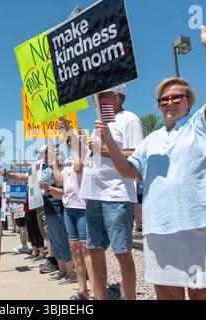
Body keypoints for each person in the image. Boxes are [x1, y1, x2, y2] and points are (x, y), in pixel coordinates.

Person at [96, 11, 206, 300]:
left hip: (203, 225)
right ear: (158, 106)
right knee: (168, 295)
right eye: (164, 99)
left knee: (203, 295)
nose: (170, 102)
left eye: (177, 96)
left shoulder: (202, 123)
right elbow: (128, 171)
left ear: (189, 101)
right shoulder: (151, 140)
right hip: (160, 228)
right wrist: (110, 143)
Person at [62, 83, 144, 300]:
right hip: (94, 196)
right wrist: (67, 131)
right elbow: (87, 153)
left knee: (122, 252)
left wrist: (104, 149)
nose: (94, 99)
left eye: (101, 95)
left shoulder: (129, 119)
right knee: (95, 249)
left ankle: (130, 297)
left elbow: (136, 153)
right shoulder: (101, 123)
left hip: (116, 195)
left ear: (116, 97)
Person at [2, 145, 75, 282]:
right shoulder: (40, 167)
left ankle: (71, 272)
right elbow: (25, 176)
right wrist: (9, 174)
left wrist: (49, 187)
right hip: (46, 207)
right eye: (44, 154)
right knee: (53, 240)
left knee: (61, 240)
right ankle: (62, 270)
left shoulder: (59, 166)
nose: (45, 156)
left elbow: (62, 185)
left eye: (48, 154)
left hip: (57, 207)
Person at [51, 131, 95, 300]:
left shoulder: (86, 156)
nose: (69, 142)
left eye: (73, 139)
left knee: (86, 249)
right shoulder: (67, 159)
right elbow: (59, 180)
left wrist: (70, 132)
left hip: (83, 207)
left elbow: (78, 167)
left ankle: (94, 291)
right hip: (69, 207)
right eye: (68, 140)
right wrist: (54, 163)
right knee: (74, 248)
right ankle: (82, 289)